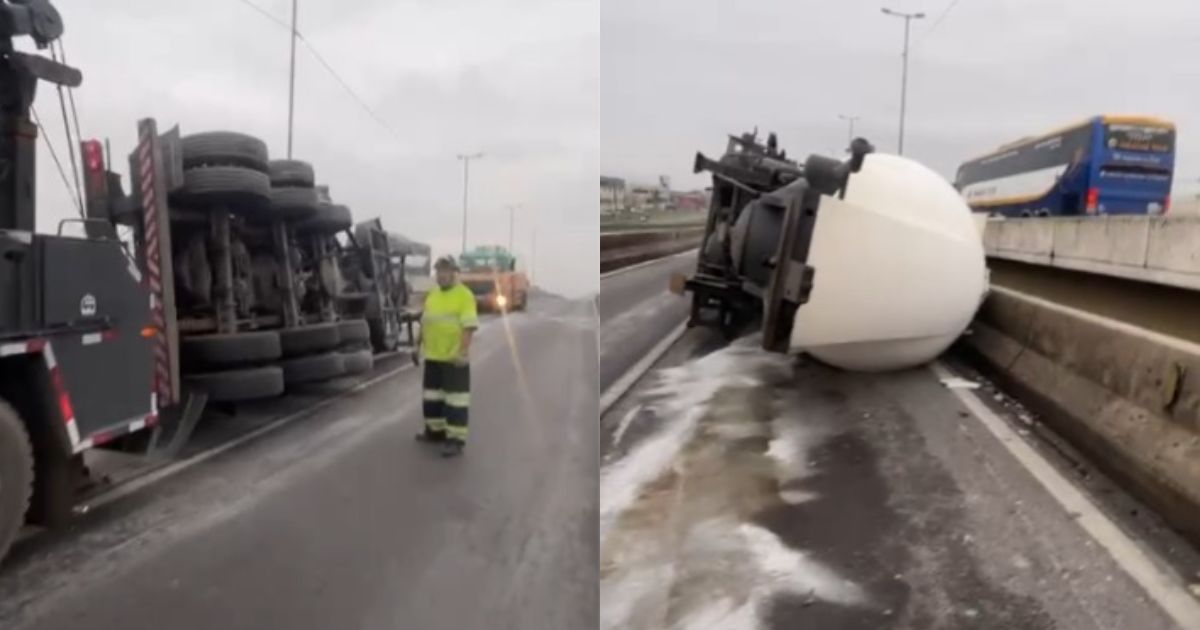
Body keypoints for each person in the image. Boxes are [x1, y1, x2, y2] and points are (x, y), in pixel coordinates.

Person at [415, 255, 479, 457]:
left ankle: (455, 440)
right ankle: (435, 432)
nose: (441, 275)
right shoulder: (432, 295)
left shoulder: (464, 295)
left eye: (445, 271)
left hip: (454, 359)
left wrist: (462, 352)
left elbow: (469, 327)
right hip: (433, 357)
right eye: (439, 271)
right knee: (432, 399)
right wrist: (416, 347)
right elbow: (425, 322)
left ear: (454, 273)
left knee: (455, 402)